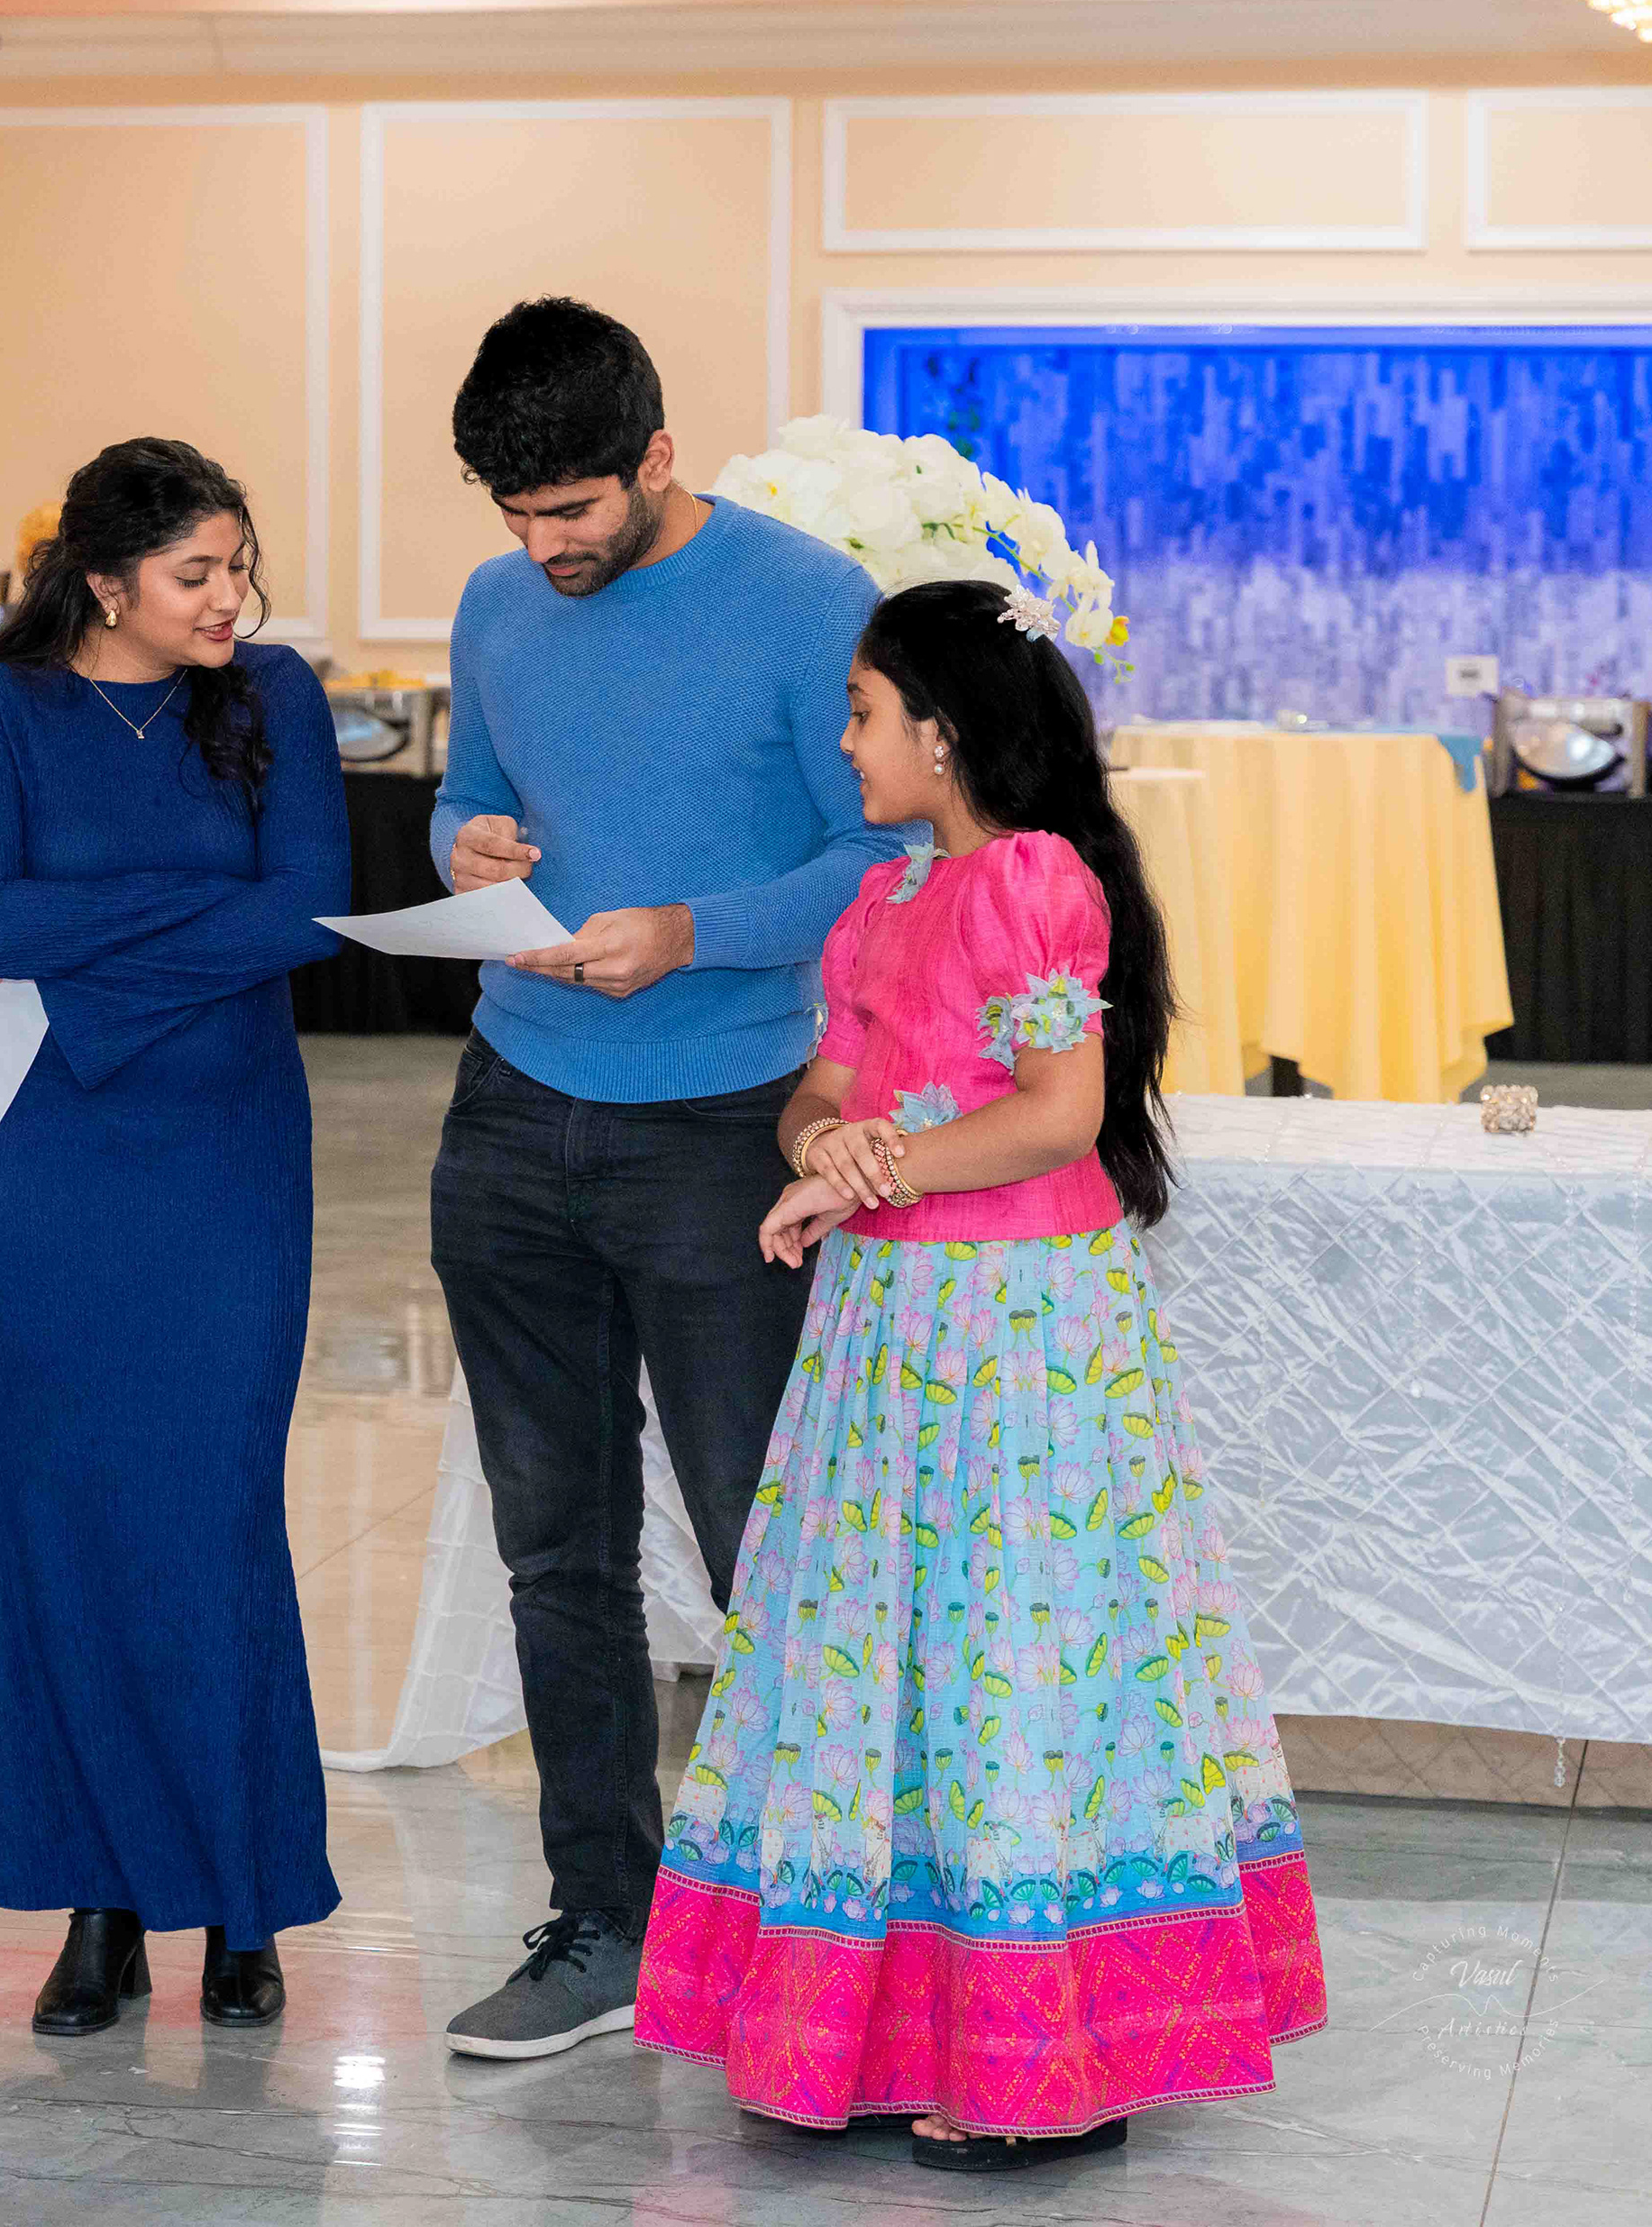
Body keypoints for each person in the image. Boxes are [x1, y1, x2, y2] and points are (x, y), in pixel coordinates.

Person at [634, 578, 1328, 2166]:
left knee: (1011, 1650)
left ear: (941, 735)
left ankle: (1046, 2062)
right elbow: (820, 1086)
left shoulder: (1029, 878)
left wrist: (874, 1167)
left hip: (1016, 1330)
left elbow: (1058, 1113)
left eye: (864, 712)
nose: (845, 740)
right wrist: (828, 1144)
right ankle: (897, 2028)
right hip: (892, 1327)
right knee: (895, 1654)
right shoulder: (883, 896)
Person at [429, 298, 907, 2061]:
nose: (543, 546)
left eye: (572, 508)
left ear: (656, 456)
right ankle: (603, 1922)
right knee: (554, 1549)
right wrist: (465, 847)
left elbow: (882, 855)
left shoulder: (807, 601)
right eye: (512, 514)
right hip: (511, 1108)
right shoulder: (496, 604)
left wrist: (693, 930)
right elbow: (465, 801)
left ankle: (811, 1929)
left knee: (761, 1547)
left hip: (729, 1122)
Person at [0, 439, 351, 2036]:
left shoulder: (276, 696)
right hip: (44, 1171)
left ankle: (244, 1900)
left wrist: (93, 948)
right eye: (196, 574)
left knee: (216, 1514)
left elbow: (311, 906)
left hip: (227, 1155)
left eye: (240, 566)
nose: (231, 598)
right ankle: (95, 1905)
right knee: (63, 1519)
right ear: (104, 582)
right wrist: (201, 915)